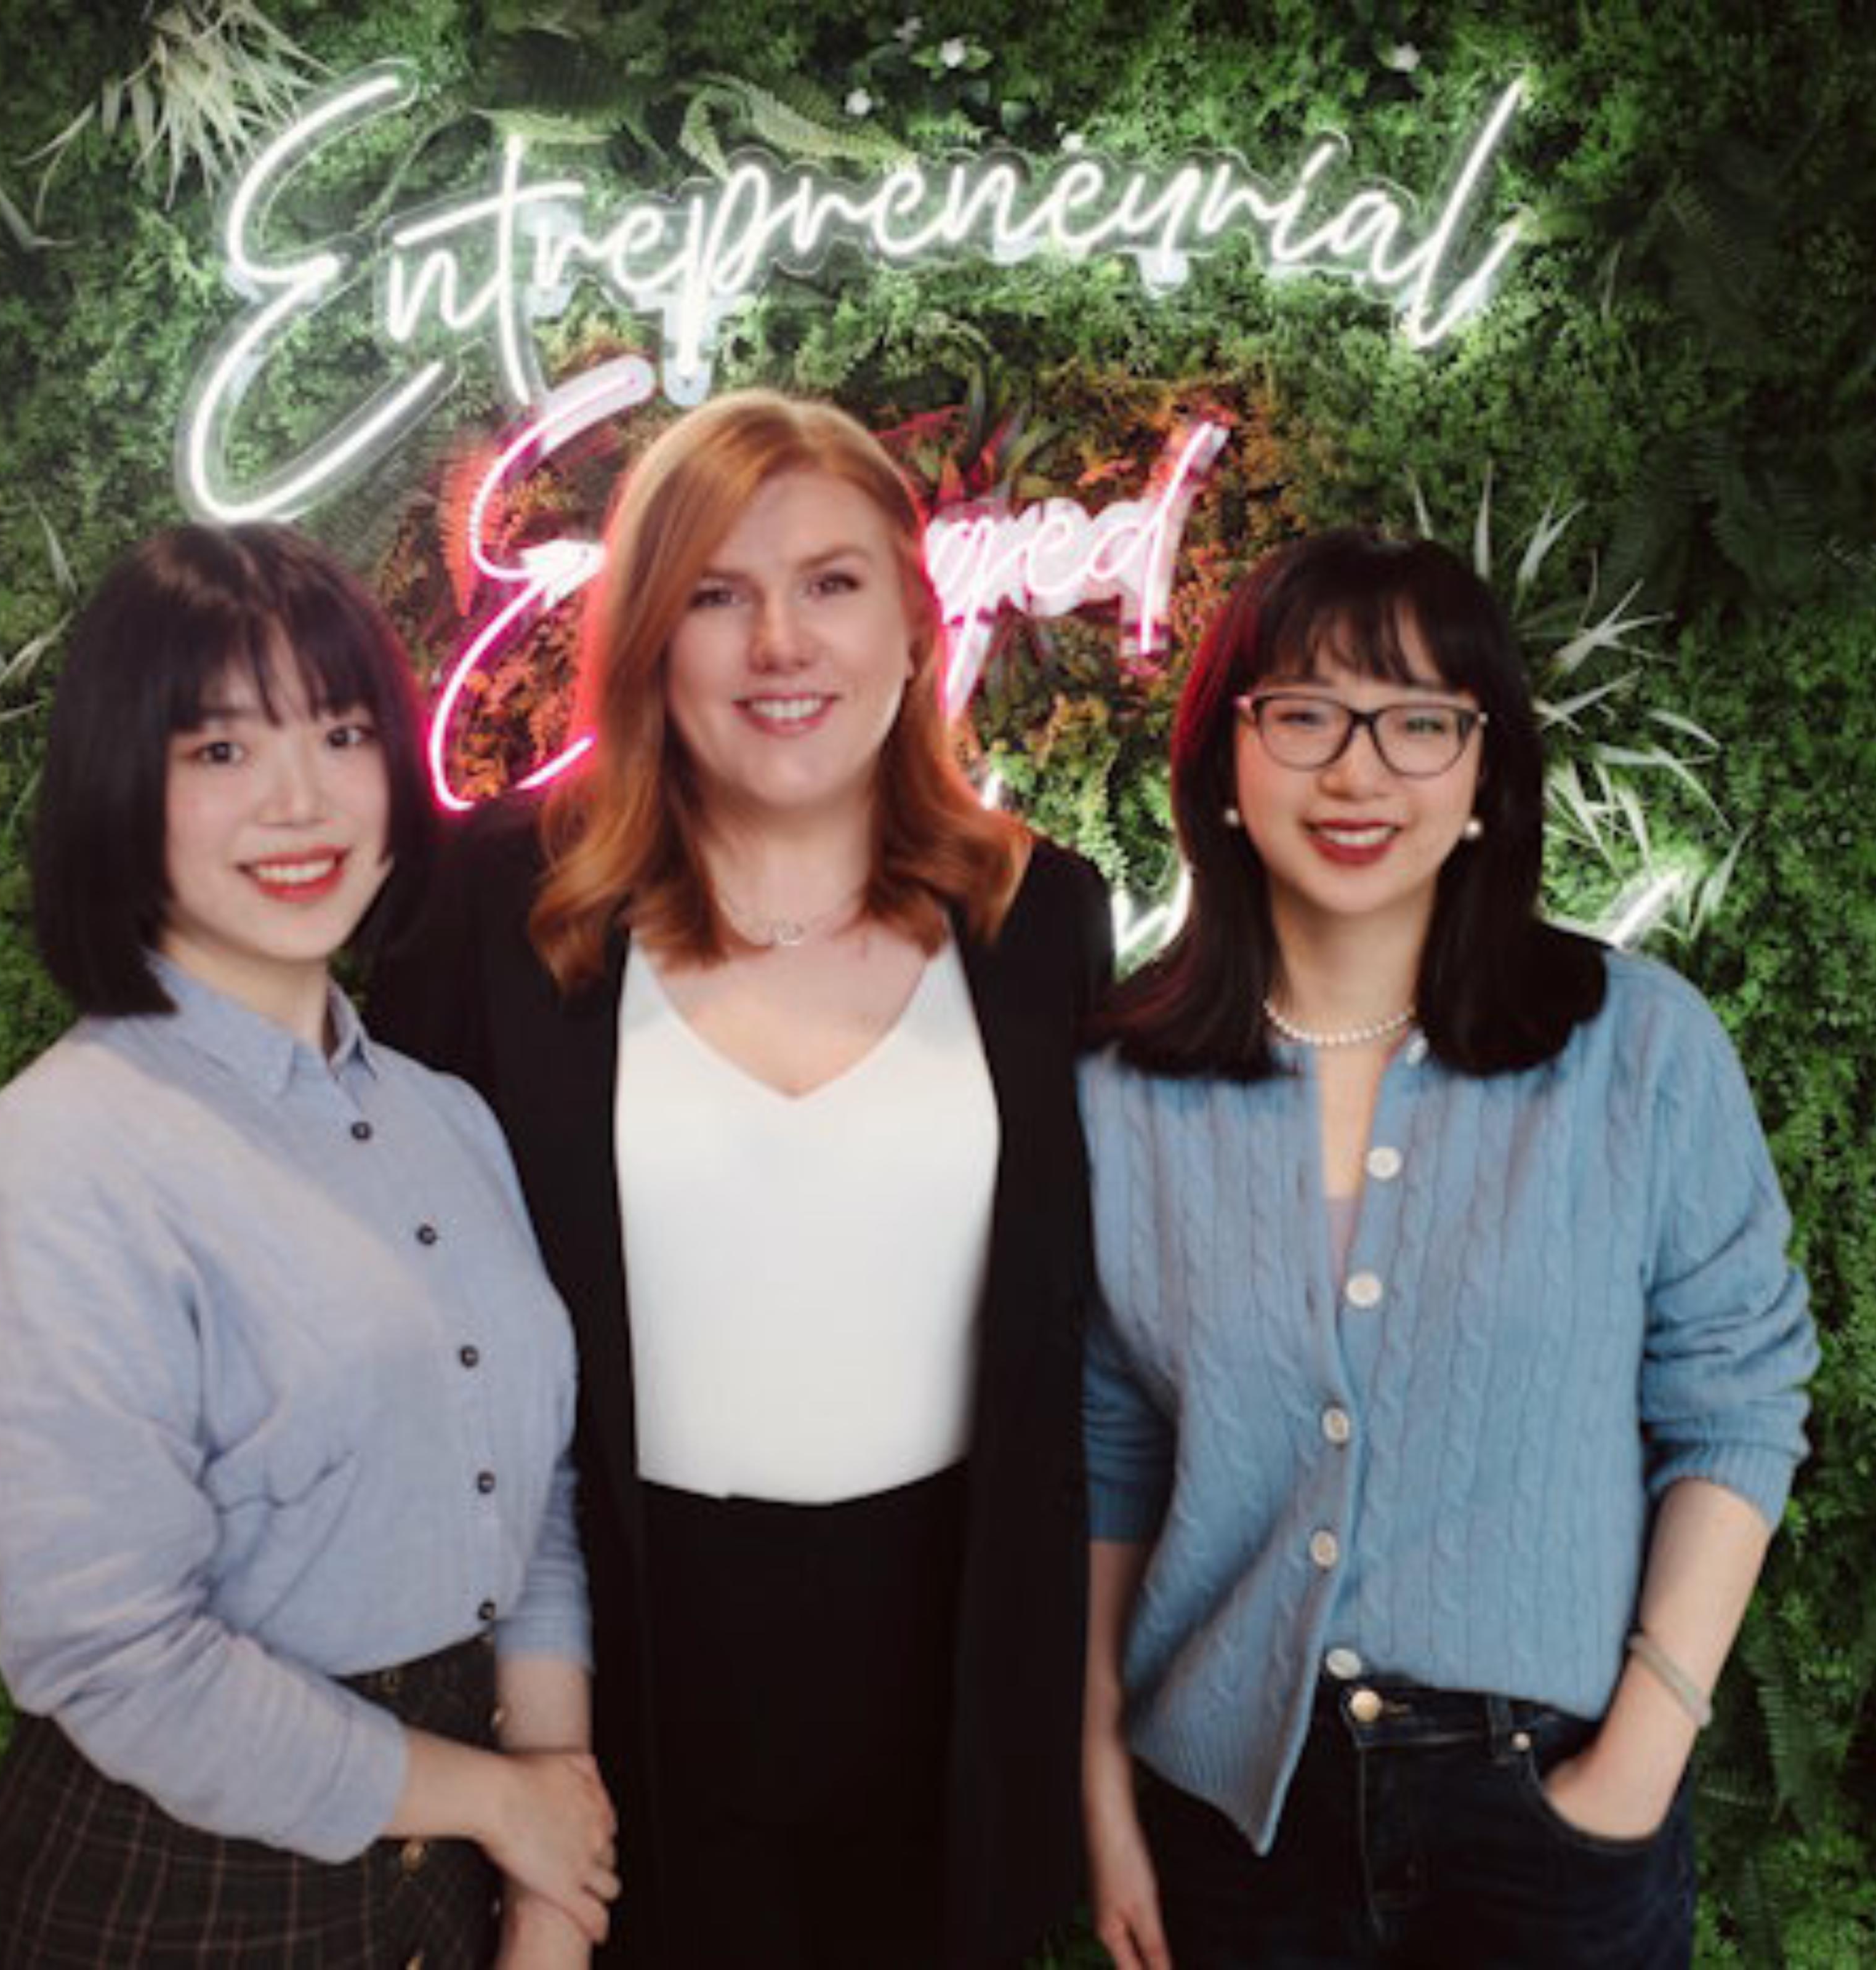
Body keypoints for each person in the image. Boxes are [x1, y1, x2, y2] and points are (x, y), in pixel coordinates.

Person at [375, 391, 1109, 1969]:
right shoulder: (508, 904)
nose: (781, 641)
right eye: (718, 593)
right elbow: (397, 1293)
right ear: (648, 639)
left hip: (952, 1672)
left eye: (833, 584)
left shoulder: (1039, 918)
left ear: (916, 626)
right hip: (609, 1654)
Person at [1076, 526, 1819, 1969]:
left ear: (1486, 771)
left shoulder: (1639, 1047)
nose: (1358, 772)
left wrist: (1640, 1757)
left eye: (1420, 722)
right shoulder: (1119, 1089)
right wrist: (1099, 1781)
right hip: (1231, 1820)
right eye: (1303, 715)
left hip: (1551, 1810)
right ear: (1224, 760)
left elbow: (1737, 1401)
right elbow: (1111, 1450)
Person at [0, 523, 618, 1969]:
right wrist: (500, 1803)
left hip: (451, 1874)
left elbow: (530, 1487)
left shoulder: (445, 1120)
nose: (302, 801)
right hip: (174, 1891)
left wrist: (551, 1861)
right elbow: (115, 1655)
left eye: (343, 733)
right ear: (122, 792)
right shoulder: (57, 1163)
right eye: (220, 751)